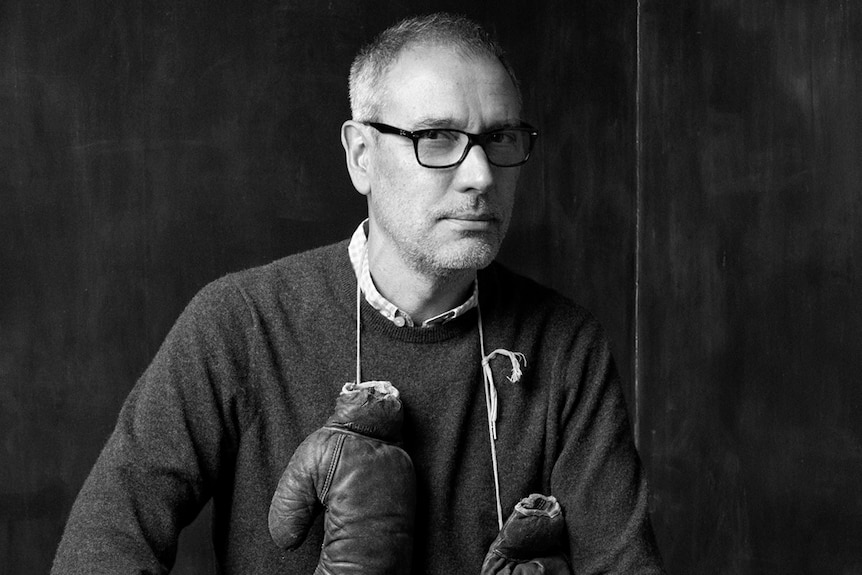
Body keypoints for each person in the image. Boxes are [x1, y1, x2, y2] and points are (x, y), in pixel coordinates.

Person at [52, 12, 664, 574]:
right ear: (361, 156)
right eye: (439, 138)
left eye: (501, 139)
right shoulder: (237, 325)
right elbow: (99, 552)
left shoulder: (566, 347)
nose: (480, 176)